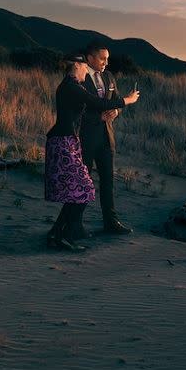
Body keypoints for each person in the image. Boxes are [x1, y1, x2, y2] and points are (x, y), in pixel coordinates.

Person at [45, 54, 140, 250]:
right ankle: (62, 235)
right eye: (83, 68)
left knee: (77, 190)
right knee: (84, 189)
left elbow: (99, 103)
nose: (86, 72)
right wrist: (128, 100)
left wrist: (114, 110)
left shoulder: (72, 86)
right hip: (63, 141)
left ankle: (57, 233)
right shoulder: (71, 86)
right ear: (76, 67)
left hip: (68, 140)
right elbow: (97, 103)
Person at [79, 41, 133, 235]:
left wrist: (116, 111)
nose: (105, 63)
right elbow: (77, 107)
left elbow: (116, 101)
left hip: (106, 136)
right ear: (90, 58)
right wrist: (97, 116)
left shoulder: (109, 77)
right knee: (83, 180)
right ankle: (76, 223)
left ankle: (111, 223)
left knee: (108, 180)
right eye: (102, 58)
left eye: (107, 59)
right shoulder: (79, 76)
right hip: (85, 136)